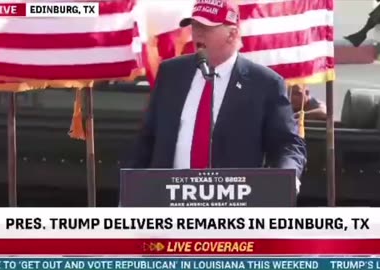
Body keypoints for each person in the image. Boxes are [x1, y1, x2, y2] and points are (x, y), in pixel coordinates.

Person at [126, 0, 307, 191]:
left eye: (206, 27)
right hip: (170, 198)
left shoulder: (264, 84)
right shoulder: (171, 73)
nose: (197, 33)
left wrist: (289, 177)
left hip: (233, 201)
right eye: (194, 25)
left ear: (232, 33)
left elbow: (287, 145)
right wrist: (130, 191)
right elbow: (147, 139)